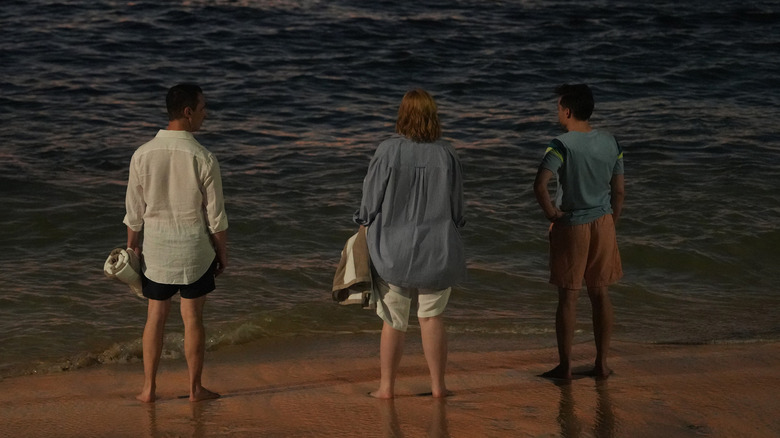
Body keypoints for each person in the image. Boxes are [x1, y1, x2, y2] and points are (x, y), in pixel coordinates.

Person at [354, 89, 467, 399]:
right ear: (433, 116)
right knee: (431, 317)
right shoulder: (447, 153)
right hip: (437, 248)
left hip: (392, 248)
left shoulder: (388, 151)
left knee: (393, 319)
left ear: (402, 115)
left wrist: (362, 221)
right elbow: (458, 209)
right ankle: (438, 387)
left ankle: (386, 388)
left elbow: (370, 200)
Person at [124, 83, 228, 402]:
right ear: (187, 113)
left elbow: (133, 212)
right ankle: (195, 389)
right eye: (202, 108)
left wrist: (133, 248)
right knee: (193, 319)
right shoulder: (203, 156)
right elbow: (216, 216)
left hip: (156, 252)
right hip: (195, 251)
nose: (205, 114)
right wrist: (222, 254)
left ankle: (148, 389)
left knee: (155, 317)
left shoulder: (142, 154)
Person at [533, 83, 625, 380]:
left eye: (559, 107)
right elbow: (619, 191)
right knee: (600, 294)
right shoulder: (611, 142)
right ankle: (601, 363)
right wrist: (611, 221)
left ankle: (566, 365)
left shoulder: (561, 144)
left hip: (572, 224)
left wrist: (552, 214)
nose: (558, 112)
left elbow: (540, 184)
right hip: (603, 223)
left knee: (568, 297)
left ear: (568, 111)